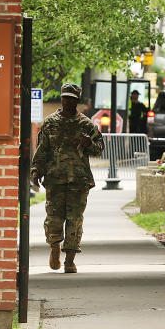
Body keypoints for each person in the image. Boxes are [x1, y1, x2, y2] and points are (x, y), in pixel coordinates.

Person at [30, 83, 104, 273]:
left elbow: (99, 150)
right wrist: (36, 171)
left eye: (72, 98)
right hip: (55, 178)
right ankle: (54, 248)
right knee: (54, 217)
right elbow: (42, 150)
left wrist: (89, 144)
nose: (68, 101)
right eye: (65, 97)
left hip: (79, 180)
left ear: (77, 100)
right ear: (61, 98)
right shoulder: (49, 123)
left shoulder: (86, 125)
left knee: (75, 220)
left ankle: (69, 260)